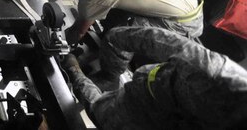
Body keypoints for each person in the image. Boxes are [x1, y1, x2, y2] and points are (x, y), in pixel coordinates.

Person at [53, 0, 204, 85]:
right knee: (115, 5)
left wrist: (62, 45)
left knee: (117, 37)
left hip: (184, 21)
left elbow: (79, 30)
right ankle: (107, 45)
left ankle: (109, 77)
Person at [61, 26, 247, 129]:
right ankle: (73, 69)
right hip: (144, 98)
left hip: (159, 116)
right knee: (100, 112)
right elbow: (156, 40)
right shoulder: (217, 73)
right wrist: (113, 46)